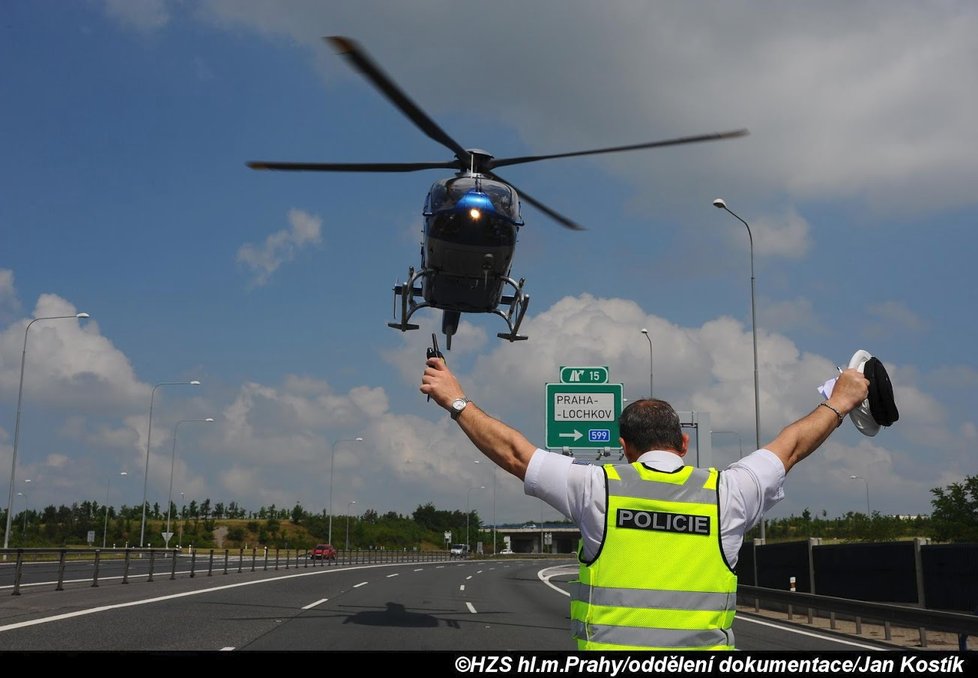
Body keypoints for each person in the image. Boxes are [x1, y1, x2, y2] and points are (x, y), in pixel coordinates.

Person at [420, 355, 869, 651]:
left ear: (625, 447)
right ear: (684, 442)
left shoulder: (598, 488)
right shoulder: (728, 493)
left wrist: (454, 399)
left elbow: (516, 453)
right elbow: (790, 446)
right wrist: (839, 402)